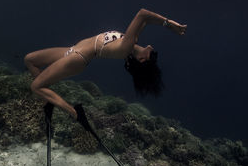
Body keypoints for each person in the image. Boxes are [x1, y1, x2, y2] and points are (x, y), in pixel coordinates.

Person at [24, 8, 187, 121]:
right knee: (30, 59)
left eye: (153, 56)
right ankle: (47, 101)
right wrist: (165, 23)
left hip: (78, 57)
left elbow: (143, 14)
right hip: (73, 50)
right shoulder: (132, 41)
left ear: (143, 60)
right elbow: (147, 20)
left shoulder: (127, 47)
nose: (153, 49)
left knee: (36, 86)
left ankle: (73, 113)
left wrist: (169, 24)